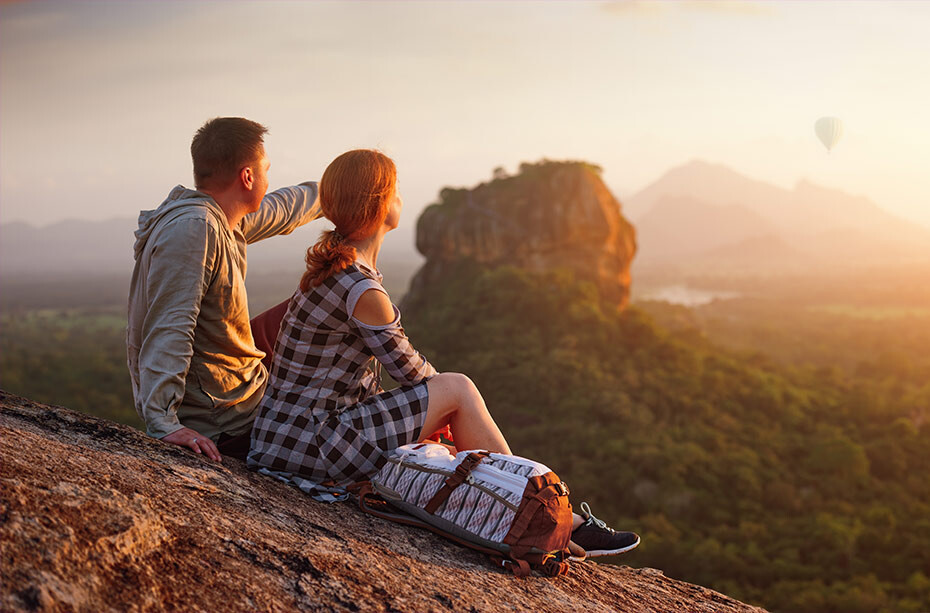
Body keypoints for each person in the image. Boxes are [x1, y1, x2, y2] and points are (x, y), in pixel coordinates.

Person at [248, 149, 639, 557]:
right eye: (396, 191)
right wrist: (443, 411)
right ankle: (534, 506)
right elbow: (415, 374)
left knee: (444, 420)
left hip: (285, 438)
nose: (401, 198)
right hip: (312, 443)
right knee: (459, 389)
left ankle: (542, 513)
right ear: (382, 205)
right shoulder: (361, 289)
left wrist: (432, 419)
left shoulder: (334, 269)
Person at [127, 117, 322, 462]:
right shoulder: (195, 229)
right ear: (248, 176)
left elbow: (284, 208)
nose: (267, 178)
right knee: (336, 303)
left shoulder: (217, 217)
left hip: (231, 377)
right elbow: (170, 326)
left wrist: (338, 189)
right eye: (265, 170)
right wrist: (162, 421)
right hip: (224, 416)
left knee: (314, 302)